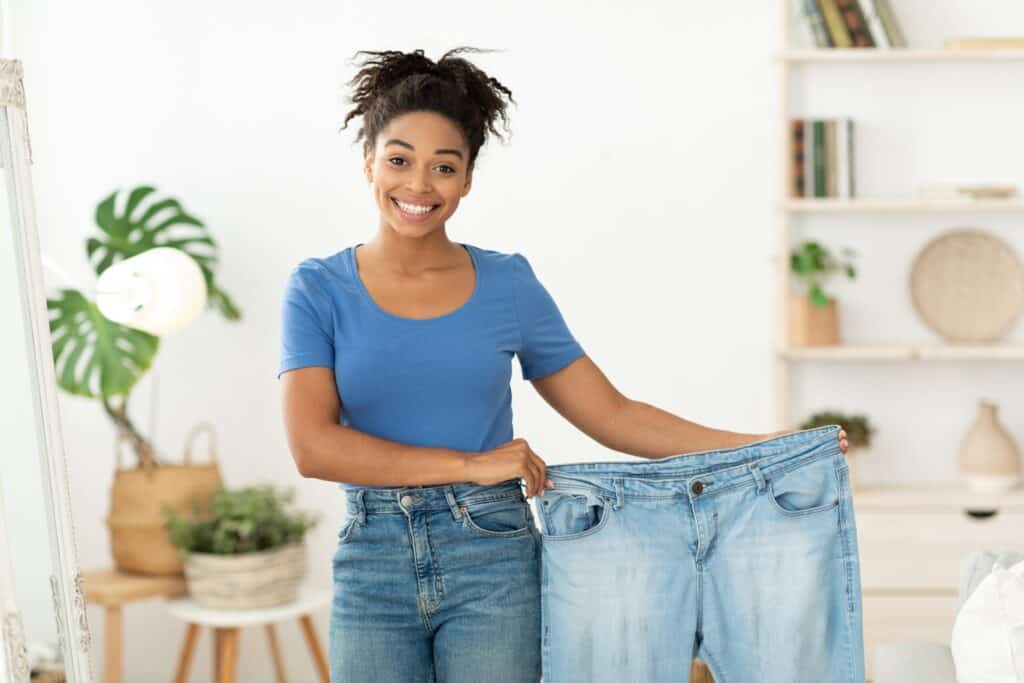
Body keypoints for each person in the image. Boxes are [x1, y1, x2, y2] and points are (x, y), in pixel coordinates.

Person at [277, 46, 848, 683]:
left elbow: (612, 413)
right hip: (372, 556)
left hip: (491, 556)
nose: (418, 185)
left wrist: (756, 448)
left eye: (444, 166)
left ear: (466, 179)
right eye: (399, 159)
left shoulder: (507, 284)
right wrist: (469, 464)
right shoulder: (318, 287)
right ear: (368, 164)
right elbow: (314, 447)